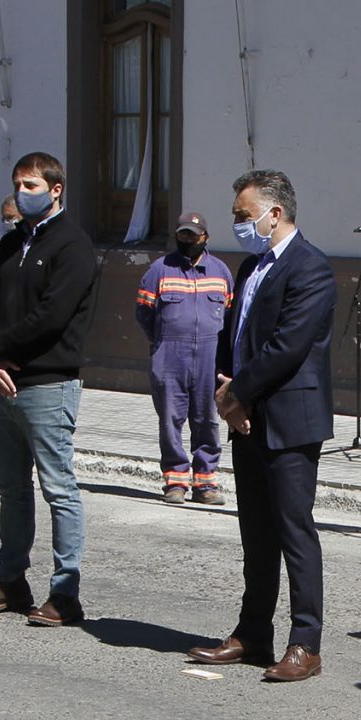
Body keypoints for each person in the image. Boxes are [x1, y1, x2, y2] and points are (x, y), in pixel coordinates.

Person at [191, 171, 338, 682]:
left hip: (289, 420)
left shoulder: (310, 267)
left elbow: (288, 346)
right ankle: (253, 632)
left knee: (293, 530)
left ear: (274, 214)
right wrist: (229, 394)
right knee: (255, 533)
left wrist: (237, 393)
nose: (238, 223)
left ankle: (306, 643)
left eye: (242, 214)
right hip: (247, 419)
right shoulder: (251, 266)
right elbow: (233, 338)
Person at [0, 152, 97, 626]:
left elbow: (53, 315)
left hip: (47, 382)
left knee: (58, 488)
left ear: (56, 189)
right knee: (12, 488)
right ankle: (10, 580)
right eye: (19, 183)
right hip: (3, 380)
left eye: (32, 185)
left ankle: (65, 592)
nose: (23, 192)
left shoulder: (73, 245)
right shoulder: (12, 242)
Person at [137, 210, 233, 505]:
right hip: (170, 355)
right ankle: (175, 481)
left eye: (193, 235)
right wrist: (163, 342)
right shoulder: (159, 270)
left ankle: (206, 483)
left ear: (205, 237)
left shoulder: (220, 272)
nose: (188, 240)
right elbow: (144, 314)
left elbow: (230, 315)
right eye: (183, 235)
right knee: (170, 419)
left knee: (207, 418)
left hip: (210, 355)